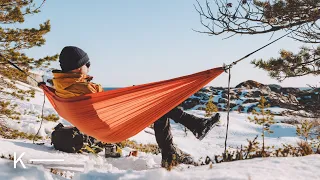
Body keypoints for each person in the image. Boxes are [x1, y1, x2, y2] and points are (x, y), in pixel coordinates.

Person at [52, 46, 220, 168]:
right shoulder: (84, 88)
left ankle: (178, 145)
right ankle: (186, 135)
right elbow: (105, 107)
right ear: (77, 67)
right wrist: (133, 99)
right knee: (159, 103)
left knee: (159, 108)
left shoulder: (60, 85)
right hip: (108, 128)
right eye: (87, 64)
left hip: (95, 126)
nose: (88, 68)